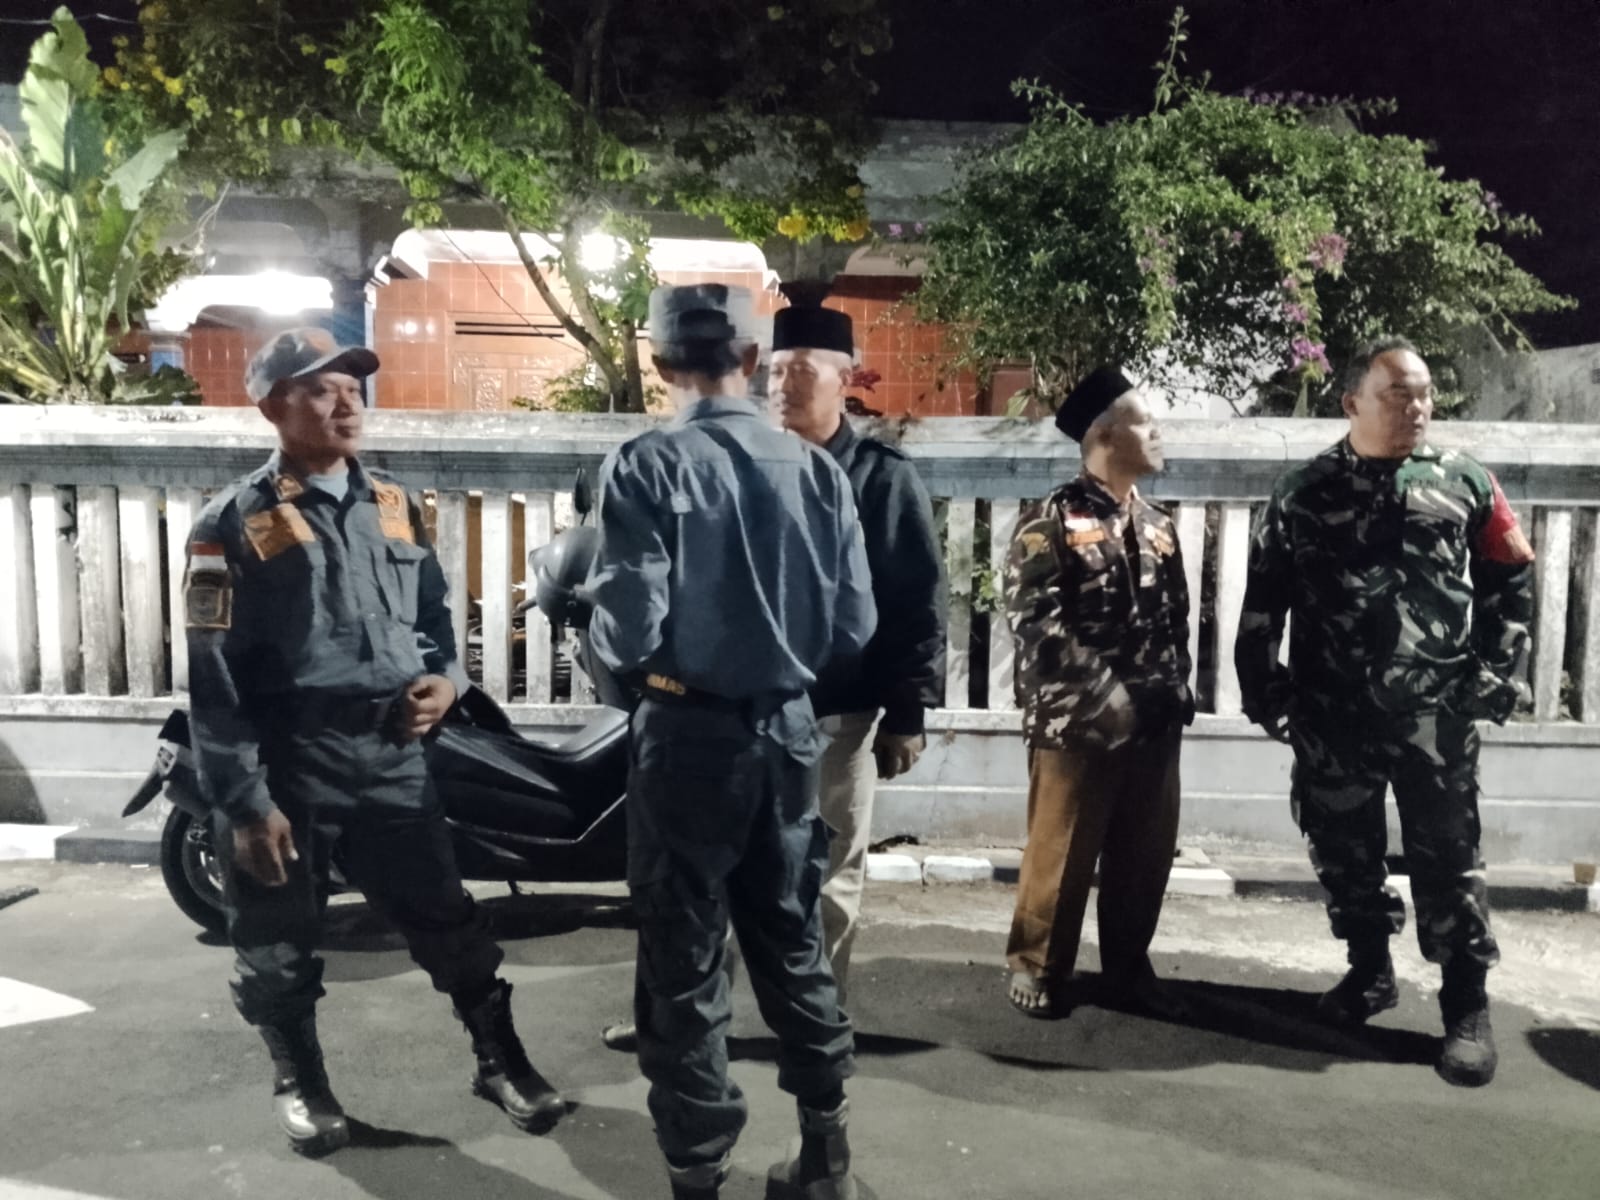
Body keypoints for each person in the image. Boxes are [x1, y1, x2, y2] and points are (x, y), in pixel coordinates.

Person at [184, 328, 565, 1157]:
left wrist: (446, 682)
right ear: (273, 406)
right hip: (292, 763)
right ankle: (301, 1083)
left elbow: (434, 623)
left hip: (393, 758)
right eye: (322, 388)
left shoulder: (394, 504)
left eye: (354, 386)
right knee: (278, 940)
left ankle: (498, 1060)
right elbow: (214, 679)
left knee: (449, 920)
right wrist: (246, 805)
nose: (347, 401)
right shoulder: (230, 523)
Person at [585, 284, 877, 1200]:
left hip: (686, 738)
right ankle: (825, 1154)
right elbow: (855, 626)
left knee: (683, 956)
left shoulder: (645, 464)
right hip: (788, 734)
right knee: (791, 935)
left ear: (658, 364)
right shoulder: (818, 470)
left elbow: (629, 630)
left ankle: (699, 1169)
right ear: (752, 361)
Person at [1235, 336, 1534, 1088]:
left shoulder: (1464, 480)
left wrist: (1497, 671)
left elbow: (1510, 575)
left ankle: (1465, 1007)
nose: (1417, 406)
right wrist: (1266, 693)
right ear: (1352, 403)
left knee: (1450, 862)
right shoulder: (1302, 491)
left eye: (1424, 392)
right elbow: (1264, 598)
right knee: (1344, 853)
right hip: (1333, 716)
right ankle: (1369, 971)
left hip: (1436, 718)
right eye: (1398, 393)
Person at [1002, 366, 1194, 1020]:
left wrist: (1175, 689)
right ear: (1107, 434)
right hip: (1076, 724)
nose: (1158, 431)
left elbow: (1176, 619)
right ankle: (1038, 963)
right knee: (1061, 852)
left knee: (1144, 855)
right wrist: (1107, 695)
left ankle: (1128, 966)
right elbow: (1037, 625)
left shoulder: (1159, 523)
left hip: (1153, 721)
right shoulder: (1050, 520)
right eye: (1145, 421)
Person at [768, 304, 946, 1005]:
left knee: (828, 873)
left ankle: (817, 1017)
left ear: (845, 379)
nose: (784, 385)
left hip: (836, 716)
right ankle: (691, 1019)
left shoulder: (880, 478)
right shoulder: (746, 467)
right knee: (714, 871)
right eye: (775, 371)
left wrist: (907, 712)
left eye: (802, 371)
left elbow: (916, 598)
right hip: (742, 710)